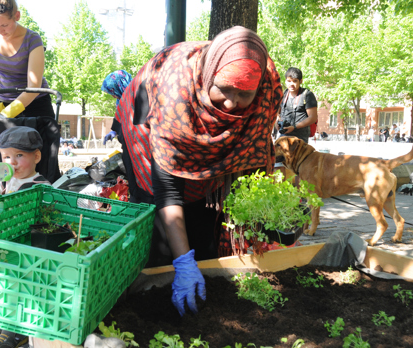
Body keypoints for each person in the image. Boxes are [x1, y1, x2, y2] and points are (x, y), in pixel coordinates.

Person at [112, 26, 282, 317]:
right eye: (224, 90)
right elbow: (168, 190)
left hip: (192, 129)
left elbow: (253, 154)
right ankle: (156, 288)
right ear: (209, 77)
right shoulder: (174, 94)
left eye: (244, 95)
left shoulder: (267, 87)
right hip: (145, 124)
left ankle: (203, 269)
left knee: (202, 216)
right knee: (159, 229)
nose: (231, 104)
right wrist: (183, 262)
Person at [0, 126, 49, 348]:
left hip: (26, 247)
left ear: (36, 156)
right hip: (7, 240)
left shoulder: (40, 186)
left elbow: (12, 210)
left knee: (19, 284)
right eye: (6, 157)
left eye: (19, 156)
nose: (12, 163)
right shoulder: (9, 181)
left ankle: (17, 328)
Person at [0, 0, 55, 120]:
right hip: (3, 104)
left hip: (35, 105)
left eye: (4, 25)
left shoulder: (32, 40)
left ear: (17, 16)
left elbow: (33, 88)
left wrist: (7, 114)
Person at [277, 67, 318, 144]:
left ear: (301, 81)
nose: (291, 84)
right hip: (283, 135)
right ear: (285, 81)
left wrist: (294, 127)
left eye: (295, 81)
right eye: (289, 81)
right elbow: (277, 113)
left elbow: (313, 117)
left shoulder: (307, 95)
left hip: (300, 138)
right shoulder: (283, 95)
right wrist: (277, 122)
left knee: (298, 156)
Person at [101, 70, 132, 145]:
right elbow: (120, 119)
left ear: (120, 86)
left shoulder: (136, 99)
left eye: (113, 92)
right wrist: (114, 130)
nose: (113, 96)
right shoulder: (120, 101)